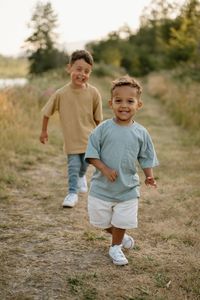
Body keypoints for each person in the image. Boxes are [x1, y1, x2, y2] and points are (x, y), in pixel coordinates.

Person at [85, 75, 159, 265]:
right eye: (118, 101)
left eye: (130, 101)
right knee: (100, 221)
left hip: (127, 188)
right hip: (102, 187)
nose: (124, 105)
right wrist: (105, 169)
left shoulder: (141, 132)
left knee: (122, 219)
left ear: (138, 105)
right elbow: (92, 153)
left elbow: (146, 156)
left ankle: (115, 247)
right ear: (111, 103)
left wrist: (149, 176)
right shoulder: (103, 129)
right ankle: (121, 237)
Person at [39, 49, 103, 208]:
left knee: (84, 164)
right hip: (71, 140)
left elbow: (98, 118)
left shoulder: (94, 93)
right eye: (78, 69)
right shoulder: (61, 94)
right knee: (73, 166)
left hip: (89, 139)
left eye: (87, 71)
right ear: (69, 68)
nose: (82, 74)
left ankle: (82, 176)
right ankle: (72, 194)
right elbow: (47, 113)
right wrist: (44, 131)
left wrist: (102, 137)